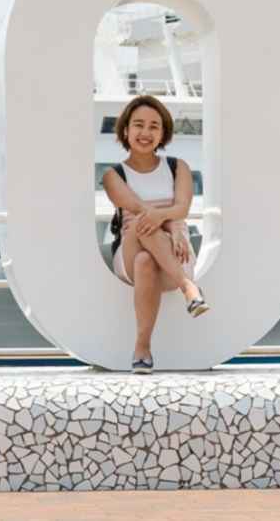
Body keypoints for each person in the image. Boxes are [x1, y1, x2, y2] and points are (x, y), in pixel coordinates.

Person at [101, 94, 210, 374]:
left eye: (154, 126)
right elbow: (137, 208)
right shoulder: (114, 175)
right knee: (140, 224)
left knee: (146, 263)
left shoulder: (178, 167)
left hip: (176, 253)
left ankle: (142, 348)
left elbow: (183, 207)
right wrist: (170, 222)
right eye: (138, 125)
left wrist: (174, 223)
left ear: (163, 133)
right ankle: (189, 288)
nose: (146, 132)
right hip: (130, 250)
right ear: (126, 130)